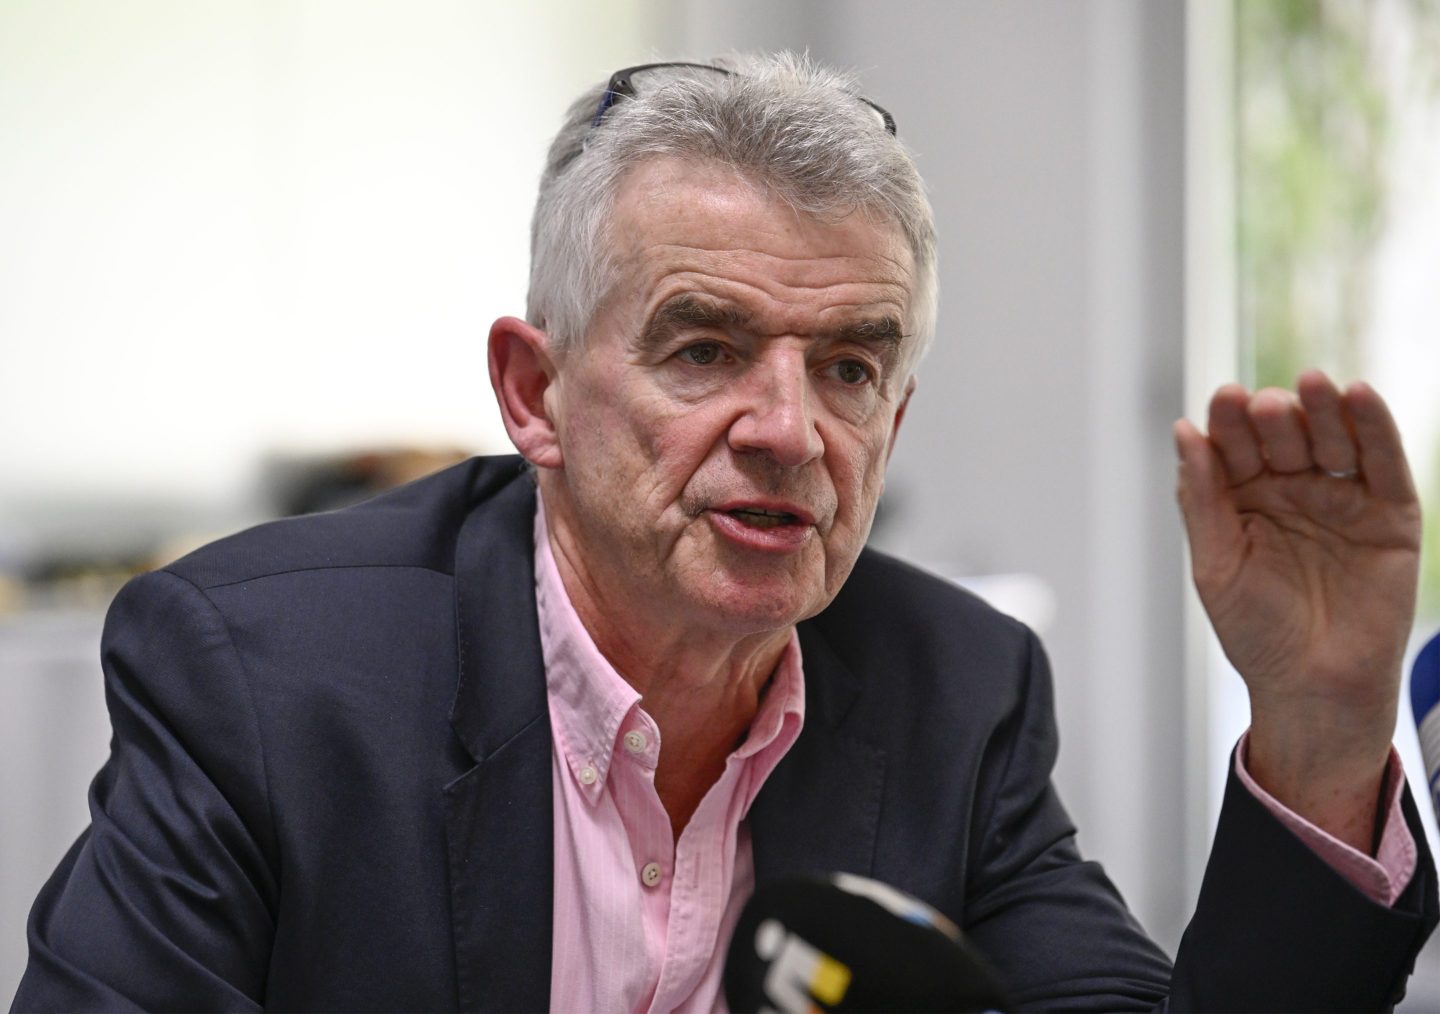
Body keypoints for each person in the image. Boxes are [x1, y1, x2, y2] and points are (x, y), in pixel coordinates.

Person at [13, 53, 1437, 1012]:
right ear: (535, 391)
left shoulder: (959, 688)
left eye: (850, 367)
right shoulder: (263, 680)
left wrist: (1318, 728)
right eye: (703, 347)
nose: (790, 430)